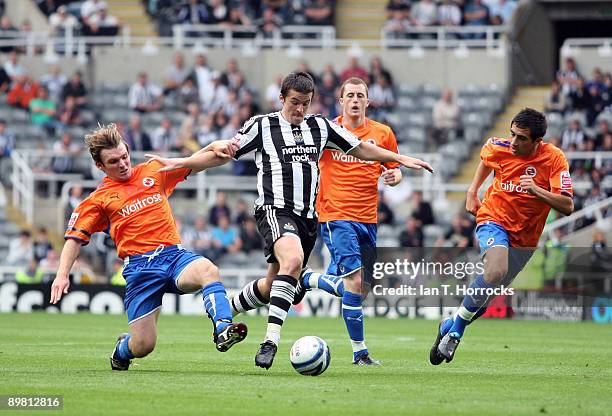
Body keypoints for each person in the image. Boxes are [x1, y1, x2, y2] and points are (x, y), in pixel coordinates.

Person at [148, 72, 434, 370]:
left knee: (275, 283)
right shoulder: (263, 125)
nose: (299, 109)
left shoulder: (320, 126)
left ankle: (226, 309)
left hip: (308, 219)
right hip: (275, 210)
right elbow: (223, 154)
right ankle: (270, 341)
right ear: (282, 99)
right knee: (294, 260)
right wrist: (181, 164)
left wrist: (401, 160)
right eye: (294, 102)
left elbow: (361, 148)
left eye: (305, 104)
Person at [50, 124, 248, 371]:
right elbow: (74, 239)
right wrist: (61, 275)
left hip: (173, 257)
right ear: (100, 166)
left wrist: (218, 146)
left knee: (208, 270)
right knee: (144, 345)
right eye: (114, 161)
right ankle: (122, 350)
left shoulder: (155, 170)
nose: (123, 164)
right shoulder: (97, 200)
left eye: (124, 156)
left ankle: (222, 328)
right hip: (140, 270)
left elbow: (202, 162)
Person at [430, 108, 574, 365]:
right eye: (512, 135)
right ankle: (455, 332)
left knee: (484, 300)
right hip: (493, 219)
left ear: (537, 142)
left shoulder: (554, 159)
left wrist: (539, 191)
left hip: (526, 239)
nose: (514, 142)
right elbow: (486, 160)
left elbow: (567, 205)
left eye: (521, 138)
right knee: (495, 271)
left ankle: (450, 324)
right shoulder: (500, 147)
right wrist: (473, 191)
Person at [292, 76, 403, 365]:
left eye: (360, 95)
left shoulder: (382, 133)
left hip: (368, 218)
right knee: (354, 281)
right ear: (341, 101)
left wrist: (395, 176)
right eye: (349, 95)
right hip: (335, 215)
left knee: (361, 287)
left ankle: (308, 278)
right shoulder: (327, 131)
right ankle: (360, 352)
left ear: (368, 101)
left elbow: (394, 168)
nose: (355, 100)